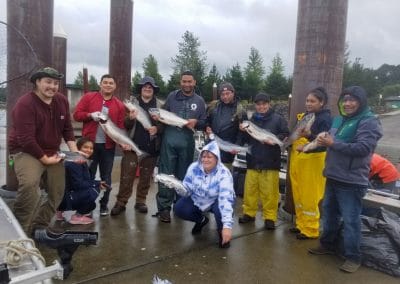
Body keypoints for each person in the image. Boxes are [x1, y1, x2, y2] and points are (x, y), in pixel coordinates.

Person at [308, 86, 382, 273]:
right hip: (332, 176)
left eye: (352, 100)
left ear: (361, 101)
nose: (347, 104)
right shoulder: (339, 119)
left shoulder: (369, 122)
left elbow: (363, 149)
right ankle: (327, 245)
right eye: (345, 100)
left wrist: (333, 143)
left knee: (351, 220)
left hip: (352, 181)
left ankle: (353, 257)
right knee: (329, 214)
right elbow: (330, 140)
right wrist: (321, 139)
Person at [8, 67, 79, 235]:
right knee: (30, 187)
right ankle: (19, 234)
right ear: (37, 82)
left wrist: (75, 153)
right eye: (48, 82)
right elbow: (26, 139)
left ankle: (39, 227)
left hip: (52, 151)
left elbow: (67, 129)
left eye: (55, 83)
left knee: (58, 191)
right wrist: (45, 160)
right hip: (26, 150)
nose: (52, 86)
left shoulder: (61, 101)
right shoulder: (25, 104)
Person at [154, 71, 207, 223]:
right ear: (180, 82)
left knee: (184, 174)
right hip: (169, 140)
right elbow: (162, 115)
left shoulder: (200, 101)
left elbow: (204, 122)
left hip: (187, 142)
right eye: (184, 81)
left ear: (194, 82)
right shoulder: (172, 96)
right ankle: (164, 208)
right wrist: (157, 119)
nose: (187, 84)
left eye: (190, 81)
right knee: (166, 173)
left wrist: (196, 122)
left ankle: (180, 205)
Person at [73, 74, 126, 216]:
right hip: (89, 146)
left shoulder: (119, 105)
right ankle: (87, 206)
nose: (108, 85)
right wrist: (90, 115)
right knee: (87, 175)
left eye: (111, 83)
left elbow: (120, 127)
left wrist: (123, 144)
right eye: (105, 82)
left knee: (106, 176)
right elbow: (76, 115)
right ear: (100, 84)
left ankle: (104, 205)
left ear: (115, 86)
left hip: (107, 147)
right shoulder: (89, 97)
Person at [111, 76, 163, 215]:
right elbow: (124, 125)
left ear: (153, 90)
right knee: (126, 176)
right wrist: (130, 118)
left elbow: (164, 125)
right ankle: (121, 202)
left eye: (150, 87)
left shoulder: (160, 106)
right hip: (132, 147)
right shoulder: (130, 104)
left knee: (146, 178)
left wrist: (157, 129)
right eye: (145, 86)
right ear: (141, 89)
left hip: (151, 148)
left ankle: (141, 201)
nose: (147, 88)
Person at [238, 93, 289, 230]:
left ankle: (270, 217)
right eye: (258, 104)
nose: (261, 106)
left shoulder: (278, 119)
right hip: (253, 160)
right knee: (250, 191)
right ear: (255, 106)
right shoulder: (251, 120)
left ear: (269, 104)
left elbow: (285, 134)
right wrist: (242, 131)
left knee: (270, 193)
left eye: (264, 104)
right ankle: (249, 213)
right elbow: (244, 141)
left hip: (270, 162)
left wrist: (276, 140)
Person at [174, 141, 235, 248]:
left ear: (217, 158)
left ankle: (222, 233)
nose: (205, 160)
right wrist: (177, 186)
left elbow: (225, 199)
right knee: (179, 208)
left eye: (209, 157)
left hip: (218, 201)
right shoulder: (193, 168)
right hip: (199, 198)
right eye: (203, 156)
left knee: (220, 210)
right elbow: (186, 190)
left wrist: (227, 227)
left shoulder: (224, 173)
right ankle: (201, 220)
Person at [289, 87, 332, 240]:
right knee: (299, 194)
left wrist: (307, 139)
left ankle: (311, 229)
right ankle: (301, 224)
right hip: (300, 159)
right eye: (307, 100)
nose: (308, 103)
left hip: (314, 160)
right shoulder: (307, 116)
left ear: (322, 103)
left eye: (312, 101)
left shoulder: (325, 119)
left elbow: (322, 141)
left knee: (310, 196)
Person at [57, 137, 106, 224]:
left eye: (91, 148)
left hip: (62, 196)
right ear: (78, 148)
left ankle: (59, 211)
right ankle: (77, 217)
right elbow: (78, 184)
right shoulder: (76, 162)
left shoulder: (81, 161)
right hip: (64, 197)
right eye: (85, 147)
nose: (89, 150)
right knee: (93, 194)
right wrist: (97, 183)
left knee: (93, 187)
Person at [205, 82, 247, 164]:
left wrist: (238, 145)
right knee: (208, 172)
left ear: (233, 93)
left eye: (228, 94)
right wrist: (206, 127)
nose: (225, 97)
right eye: (222, 94)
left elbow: (243, 133)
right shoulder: (213, 107)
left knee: (224, 173)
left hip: (228, 150)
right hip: (212, 145)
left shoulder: (240, 111)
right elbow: (207, 121)